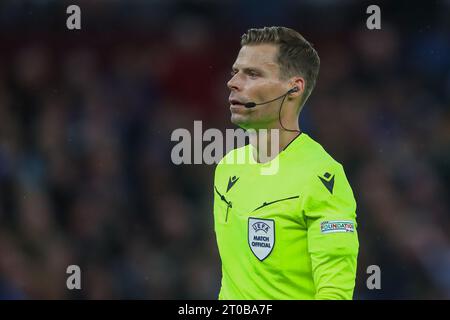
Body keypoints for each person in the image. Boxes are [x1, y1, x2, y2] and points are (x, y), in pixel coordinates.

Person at [213, 26, 359, 299]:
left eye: (253, 74)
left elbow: (334, 292)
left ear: (294, 88)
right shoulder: (227, 166)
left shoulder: (323, 176)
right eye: (236, 71)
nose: (233, 82)